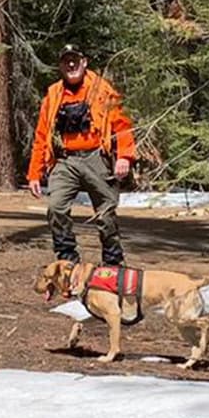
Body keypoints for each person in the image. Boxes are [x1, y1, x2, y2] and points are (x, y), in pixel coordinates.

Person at [27, 44, 135, 265]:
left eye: (75, 59)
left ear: (84, 62)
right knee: (55, 206)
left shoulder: (104, 90)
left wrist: (125, 156)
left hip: (97, 158)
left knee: (106, 214)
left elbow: (123, 125)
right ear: (61, 66)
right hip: (66, 160)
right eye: (66, 61)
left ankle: (113, 262)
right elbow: (41, 134)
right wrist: (34, 174)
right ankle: (67, 259)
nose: (71, 64)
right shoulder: (53, 95)